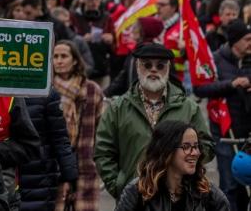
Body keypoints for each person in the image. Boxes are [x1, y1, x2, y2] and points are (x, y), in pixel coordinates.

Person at [95, 43, 214, 199]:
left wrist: (187, 176)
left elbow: (206, 147)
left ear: (168, 68)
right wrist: (118, 185)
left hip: (178, 197)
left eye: (160, 65)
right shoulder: (118, 108)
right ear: (137, 67)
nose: (153, 70)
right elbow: (103, 150)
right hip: (134, 198)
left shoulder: (188, 107)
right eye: (147, 65)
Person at [194, 19, 251, 211]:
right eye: (247, 39)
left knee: (247, 185)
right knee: (230, 186)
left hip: (248, 133)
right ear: (234, 41)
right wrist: (231, 84)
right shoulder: (215, 60)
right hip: (226, 135)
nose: (250, 43)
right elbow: (200, 88)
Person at [115, 120, 229, 211]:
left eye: (196, 146)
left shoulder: (208, 193)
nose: (195, 153)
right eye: (186, 147)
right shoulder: (137, 192)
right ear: (167, 151)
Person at [52, 40, 104, 211]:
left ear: (75, 60)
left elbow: (101, 129)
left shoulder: (92, 90)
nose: (59, 61)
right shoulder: (46, 89)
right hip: (54, 162)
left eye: (64, 56)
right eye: (55, 56)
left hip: (85, 162)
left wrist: (99, 158)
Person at [20, 87, 78, 211]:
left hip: (39, 178)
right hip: (6, 176)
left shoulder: (45, 92)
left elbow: (60, 138)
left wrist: (69, 178)